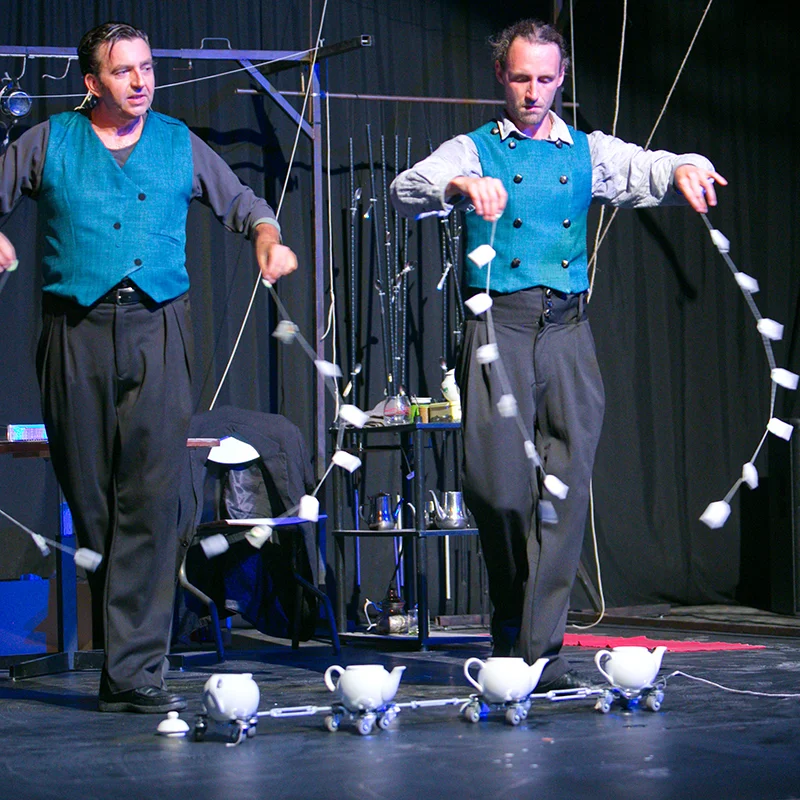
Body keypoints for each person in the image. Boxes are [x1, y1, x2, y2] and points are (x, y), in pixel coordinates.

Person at [390, 19, 726, 690]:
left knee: (563, 494)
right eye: (520, 78)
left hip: (568, 330)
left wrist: (684, 165)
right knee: (498, 490)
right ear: (500, 76)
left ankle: (537, 656)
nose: (533, 91)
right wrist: (458, 187)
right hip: (499, 329)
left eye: (545, 79)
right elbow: (407, 189)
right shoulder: (474, 148)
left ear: (562, 78)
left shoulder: (587, 151)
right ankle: (514, 626)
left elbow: (648, 167)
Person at [0, 22, 297, 712]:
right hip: (72, 329)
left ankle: (134, 672)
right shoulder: (49, 141)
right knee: (96, 500)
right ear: (92, 83)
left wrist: (267, 237)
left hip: (158, 327)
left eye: (147, 68)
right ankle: (127, 655)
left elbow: (246, 205)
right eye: (124, 71)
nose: (140, 81)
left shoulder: (177, 142)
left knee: (155, 495)